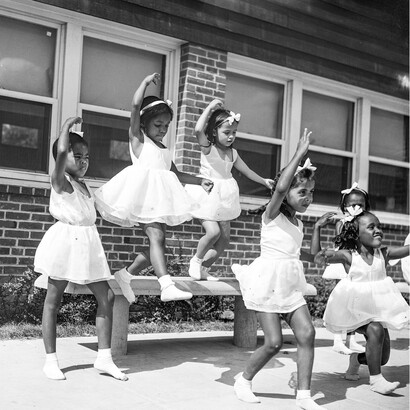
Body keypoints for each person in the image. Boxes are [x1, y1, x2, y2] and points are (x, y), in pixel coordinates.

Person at [94, 73, 213, 304]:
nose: (162, 129)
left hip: (158, 200)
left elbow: (175, 174)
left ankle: (125, 275)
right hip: (141, 196)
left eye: (166, 126)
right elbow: (135, 105)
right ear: (144, 123)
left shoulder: (164, 149)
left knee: (159, 244)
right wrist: (144, 83)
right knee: (156, 236)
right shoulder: (139, 140)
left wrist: (200, 181)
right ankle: (166, 285)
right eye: (158, 124)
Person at [232, 129, 327, 409]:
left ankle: (304, 395)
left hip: (290, 283)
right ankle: (244, 380)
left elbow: (305, 255)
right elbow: (282, 188)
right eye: (302, 192)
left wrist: (319, 232)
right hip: (267, 280)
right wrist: (299, 154)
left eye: (311, 192)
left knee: (307, 334)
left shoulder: (298, 224)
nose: (307, 197)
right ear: (284, 193)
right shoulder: (271, 214)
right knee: (273, 342)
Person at [34, 117, 127, 381]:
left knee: (107, 297)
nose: (84, 161)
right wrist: (66, 126)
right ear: (64, 158)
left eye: (87, 156)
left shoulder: (84, 185)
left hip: (88, 244)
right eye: (78, 155)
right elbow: (61, 151)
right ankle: (50, 360)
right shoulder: (60, 180)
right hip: (65, 243)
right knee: (53, 300)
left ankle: (104, 358)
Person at [315, 210, 410, 395]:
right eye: (371, 227)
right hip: (354, 309)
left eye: (379, 226)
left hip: (378, 309)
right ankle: (377, 381)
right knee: (374, 329)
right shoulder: (349, 256)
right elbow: (318, 256)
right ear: (356, 234)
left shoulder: (384, 253)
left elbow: (408, 249)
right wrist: (318, 227)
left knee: (382, 358)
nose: (378, 231)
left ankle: (357, 360)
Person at [186, 99, 273, 280]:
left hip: (225, 198)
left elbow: (247, 171)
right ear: (214, 131)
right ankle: (195, 260)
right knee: (213, 233)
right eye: (226, 132)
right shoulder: (208, 148)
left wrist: (264, 181)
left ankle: (204, 268)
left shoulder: (233, 153)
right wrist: (210, 108)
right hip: (207, 195)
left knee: (224, 240)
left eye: (234, 132)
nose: (231, 136)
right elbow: (197, 130)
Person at [311, 182, 371, 355]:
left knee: (354, 303)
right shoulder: (342, 223)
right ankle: (338, 339)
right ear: (345, 207)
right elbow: (343, 242)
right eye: (353, 205)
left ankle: (351, 339)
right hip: (343, 264)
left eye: (361, 205)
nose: (357, 208)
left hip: (357, 264)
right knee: (342, 301)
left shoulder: (366, 222)